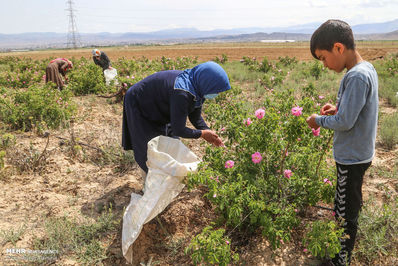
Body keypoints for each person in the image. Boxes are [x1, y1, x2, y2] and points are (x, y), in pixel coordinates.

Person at [306, 20, 378, 266]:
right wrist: (338, 109)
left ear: (338, 48)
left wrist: (318, 121)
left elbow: (346, 122)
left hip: (352, 157)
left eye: (323, 58)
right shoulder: (366, 68)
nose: (324, 65)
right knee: (343, 205)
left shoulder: (356, 76)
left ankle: (341, 261)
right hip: (358, 153)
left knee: (346, 214)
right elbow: (355, 110)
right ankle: (339, 255)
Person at [122, 61, 230, 173]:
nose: (217, 93)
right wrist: (202, 134)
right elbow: (179, 130)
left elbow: (196, 117)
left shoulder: (197, 87)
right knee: (149, 149)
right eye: (216, 90)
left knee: (170, 144)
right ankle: (151, 185)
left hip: (159, 105)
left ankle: (166, 178)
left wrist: (209, 133)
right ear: (207, 82)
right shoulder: (182, 93)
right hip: (140, 103)